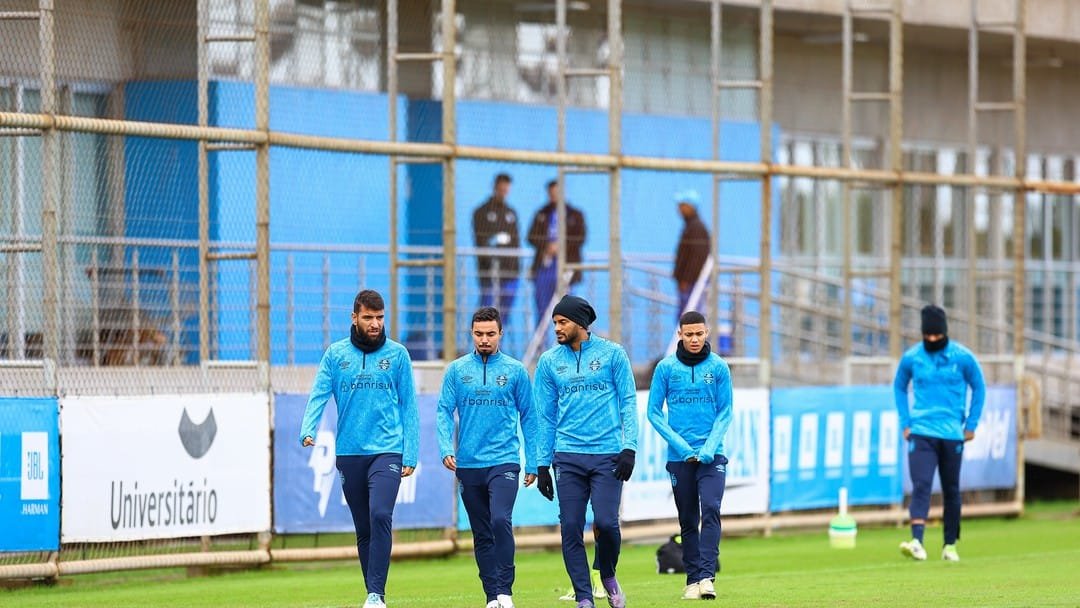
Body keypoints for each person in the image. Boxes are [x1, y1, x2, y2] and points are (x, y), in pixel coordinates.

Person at [300, 289, 420, 608]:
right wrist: (308, 428)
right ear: (354, 318)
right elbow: (319, 393)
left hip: (387, 450)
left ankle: (375, 594)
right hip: (350, 454)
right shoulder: (335, 354)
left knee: (381, 513)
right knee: (364, 528)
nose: (375, 323)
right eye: (368, 317)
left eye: (380, 318)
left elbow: (409, 405)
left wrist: (411, 452)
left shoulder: (397, 356)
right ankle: (373, 594)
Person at [534, 295, 638, 608]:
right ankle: (583, 597)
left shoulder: (613, 354)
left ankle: (606, 572)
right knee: (570, 527)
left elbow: (628, 402)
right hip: (567, 456)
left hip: (607, 454)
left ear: (580, 323)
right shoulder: (549, 362)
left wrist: (629, 447)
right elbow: (545, 415)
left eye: (562, 322)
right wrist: (541, 464)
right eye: (554, 323)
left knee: (607, 523)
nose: (557, 328)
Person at [436, 306, 538, 608]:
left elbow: (529, 416)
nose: (484, 339)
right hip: (468, 464)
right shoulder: (456, 371)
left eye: (490, 334)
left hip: (504, 461)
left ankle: (506, 590)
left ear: (500, 334)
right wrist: (446, 447)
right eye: (479, 334)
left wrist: (532, 460)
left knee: (500, 519)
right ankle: (492, 596)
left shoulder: (516, 371)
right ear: (471, 334)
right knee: (481, 532)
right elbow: (443, 411)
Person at [646, 310, 733, 600]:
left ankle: (707, 577)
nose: (694, 339)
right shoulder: (666, 368)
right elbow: (653, 413)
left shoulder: (719, 367)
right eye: (689, 334)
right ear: (679, 335)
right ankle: (692, 579)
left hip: (712, 457)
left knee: (711, 508)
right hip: (679, 458)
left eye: (699, 334)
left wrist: (708, 448)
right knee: (687, 519)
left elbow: (725, 411)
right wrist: (683, 447)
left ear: (706, 333)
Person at [894, 304, 986, 562]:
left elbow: (979, 387)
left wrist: (971, 424)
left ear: (945, 333)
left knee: (951, 489)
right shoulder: (912, 358)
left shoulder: (962, 357)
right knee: (921, 484)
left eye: (937, 336)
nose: (932, 340)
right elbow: (899, 386)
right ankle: (917, 541)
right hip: (921, 431)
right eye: (928, 336)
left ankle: (949, 545)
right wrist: (906, 422)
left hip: (952, 433)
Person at [527, 179, 587, 326]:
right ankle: (542, 345)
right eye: (552, 193)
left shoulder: (575, 215)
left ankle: (568, 345)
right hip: (545, 265)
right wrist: (547, 246)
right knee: (542, 309)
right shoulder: (542, 213)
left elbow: (580, 238)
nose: (554, 196)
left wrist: (561, 246)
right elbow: (531, 236)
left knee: (568, 309)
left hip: (566, 266)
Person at [473, 173, 522, 312]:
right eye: (501, 188)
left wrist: (516, 266)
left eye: (506, 188)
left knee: (505, 310)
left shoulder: (511, 213)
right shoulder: (481, 212)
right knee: (488, 309)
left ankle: (501, 333)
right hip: (489, 272)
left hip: (510, 270)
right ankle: (482, 332)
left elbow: (516, 241)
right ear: (495, 187)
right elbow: (481, 240)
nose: (503, 191)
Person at [673, 190, 711, 318]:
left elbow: (697, 257)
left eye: (682, 205)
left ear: (690, 206)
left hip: (692, 284)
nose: (679, 209)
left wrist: (686, 279)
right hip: (689, 283)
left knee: (690, 316)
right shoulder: (691, 226)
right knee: (686, 316)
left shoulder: (696, 228)